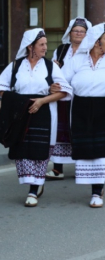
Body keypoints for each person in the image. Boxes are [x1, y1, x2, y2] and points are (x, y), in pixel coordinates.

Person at [0, 28, 72, 207]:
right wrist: (18, 101)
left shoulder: (50, 66)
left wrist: (42, 100)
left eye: (45, 44)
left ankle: (33, 190)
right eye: (42, 44)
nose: (45, 48)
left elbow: (66, 91)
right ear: (30, 47)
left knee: (39, 151)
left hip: (44, 114)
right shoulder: (15, 66)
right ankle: (35, 183)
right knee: (23, 151)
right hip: (21, 115)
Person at [46, 17, 92, 180]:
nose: (78, 34)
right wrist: (52, 84)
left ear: (87, 34)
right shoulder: (61, 49)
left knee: (79, 133)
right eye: (76, 30)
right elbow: (52, 69)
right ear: (70, 33)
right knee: (60, 133)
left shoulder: (90, 51)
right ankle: (58, 169)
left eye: (82, 31)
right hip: (62, 98)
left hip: (81, 98)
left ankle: (82, 168)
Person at [66, 23, 105, 208]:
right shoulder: (78, 60)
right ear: (97, 42)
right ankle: (95, 186)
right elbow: (63, 80)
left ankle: (97, 191)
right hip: (81, 109)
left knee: (101, 149)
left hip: (103, 107)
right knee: (87, 150)